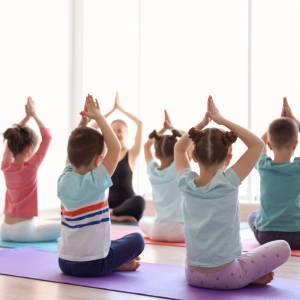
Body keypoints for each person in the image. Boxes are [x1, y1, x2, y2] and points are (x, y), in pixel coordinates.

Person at [174, 96, 291, 290]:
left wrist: (201, 125)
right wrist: (221, 120)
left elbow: (179, 149)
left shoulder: (186, 183)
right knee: (283, 247)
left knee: (243, 256)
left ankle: (248, 273)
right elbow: (257, 145)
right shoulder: (229, 181)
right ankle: (248, 275)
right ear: (229, 157)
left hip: (192, 275)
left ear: (193, 155)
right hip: (228, 276)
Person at [58, 95, 144, 277]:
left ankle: (113, 263)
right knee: (137, 240)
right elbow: (115, 147)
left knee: (111, 243)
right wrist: (98, 117)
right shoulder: (97, 181)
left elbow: (71, 149)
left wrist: (83, 122)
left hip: (64, 263)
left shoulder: (63, 180)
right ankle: (114, 265)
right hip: (93, 264)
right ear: (99, 159)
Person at [1, 97, 60, 242]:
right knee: (66, 226)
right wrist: (33, 115)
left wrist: (26, 118)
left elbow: (11, 140)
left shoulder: (6, 166)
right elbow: (48, 137)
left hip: (4, 229)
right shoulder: (30, 167)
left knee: (46, 223)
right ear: (29, 149)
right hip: (23, 231)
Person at [248, 97, 300, 249]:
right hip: (298, 235)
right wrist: (293, 121)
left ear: (269, 144)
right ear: (295, 144)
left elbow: (258, 143)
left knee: (253, 216)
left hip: (268, 236)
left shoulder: (264, 166)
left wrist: (277, 122)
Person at [140, 110, 184, 242]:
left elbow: (146, 146)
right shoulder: (178, 168)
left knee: (143, 222)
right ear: (177, 151)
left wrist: (162, 129)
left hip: (158, 231)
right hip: (182, 232)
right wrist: (171, 127)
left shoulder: (152, 171)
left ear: (156, 154)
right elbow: (190, 139)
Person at [104, 92, 145, 223]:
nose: (116, 134)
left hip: (128, 204)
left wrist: (121, 109)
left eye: (119, 130)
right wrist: (111, 111)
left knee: (140, 201)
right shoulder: (107, 155)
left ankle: (114, 215)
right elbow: (93, 127)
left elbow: (140, 124)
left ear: (126, 133)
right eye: (113, 131)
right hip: (109, 204)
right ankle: (114, 216)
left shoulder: (131, 154)